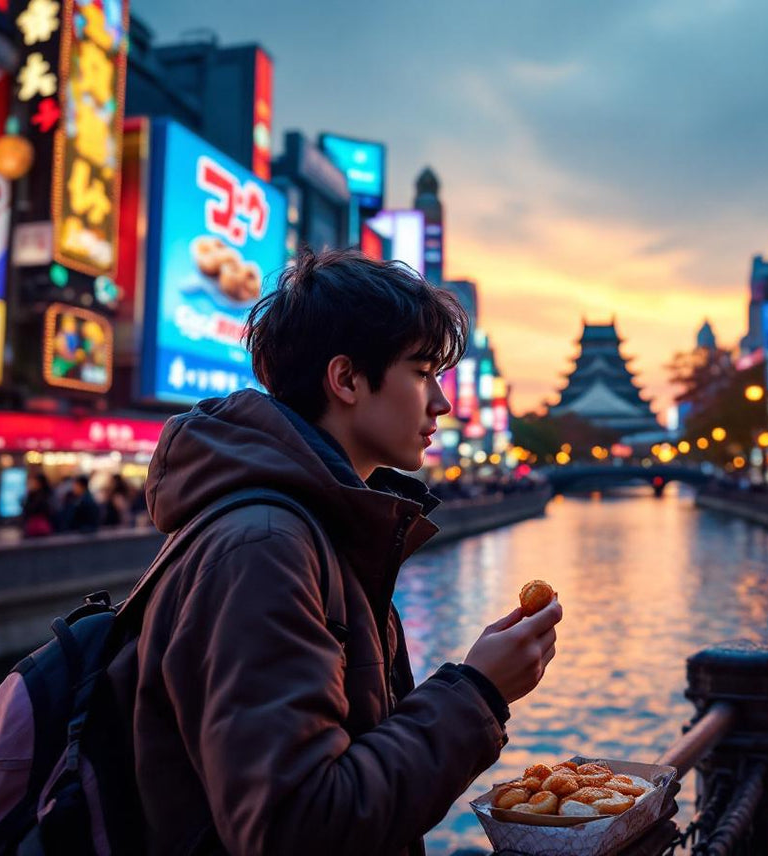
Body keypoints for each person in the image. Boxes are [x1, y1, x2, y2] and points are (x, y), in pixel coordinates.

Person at [126, 249, 562, 855]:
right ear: (347, 379)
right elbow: (295, 826)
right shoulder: (266, 547)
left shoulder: (319, 529)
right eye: (420, 372)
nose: (441, 403)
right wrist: (479, 692)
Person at [22, 473, 56, 538]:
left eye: (34, 482)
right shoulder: (33, 495)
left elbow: (32, 509)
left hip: (40, 525)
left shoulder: (43, 496)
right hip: (36, 525)